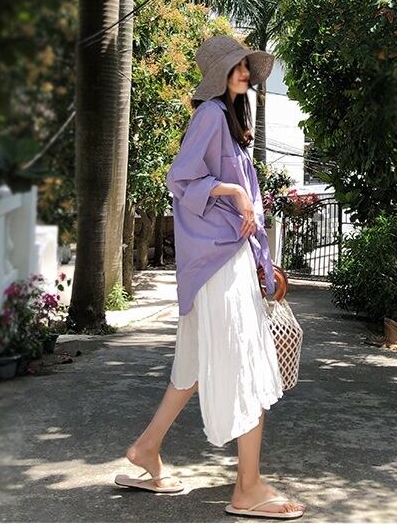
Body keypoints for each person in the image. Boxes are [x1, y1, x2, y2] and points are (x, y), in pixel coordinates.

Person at [114, 36, 305, 519]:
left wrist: (259, 254)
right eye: (236, 65)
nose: (244, 72)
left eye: (246, 65)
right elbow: (180, 177)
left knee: (194, 367)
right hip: (220, 263)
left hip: (220, 261)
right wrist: (234, 193)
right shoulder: (211, 116)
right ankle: (247, 488)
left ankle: (146, 449)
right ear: (218, 74)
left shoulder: (229, 122)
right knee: (246, 364)